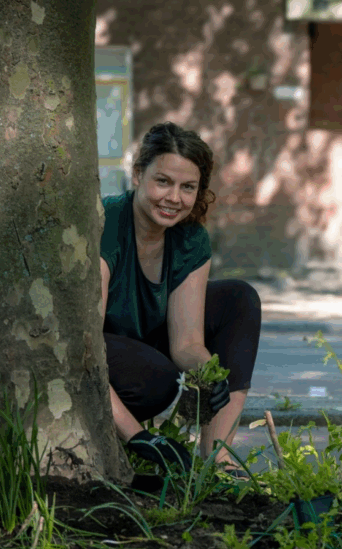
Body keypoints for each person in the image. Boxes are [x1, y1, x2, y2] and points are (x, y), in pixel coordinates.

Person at [100, 122, 261, 477]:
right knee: (159, 379)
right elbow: (80, 347)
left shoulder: (190, 238)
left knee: (239, 298)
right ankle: (120, 438)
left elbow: (186, 343)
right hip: (105, 351)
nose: (175, 198)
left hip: (149, 348)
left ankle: (216, 464)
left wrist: (210, 376)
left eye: (187, 187)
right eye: (163, 182)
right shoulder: (106, 224)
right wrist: (141, 438)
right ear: (139, 174)